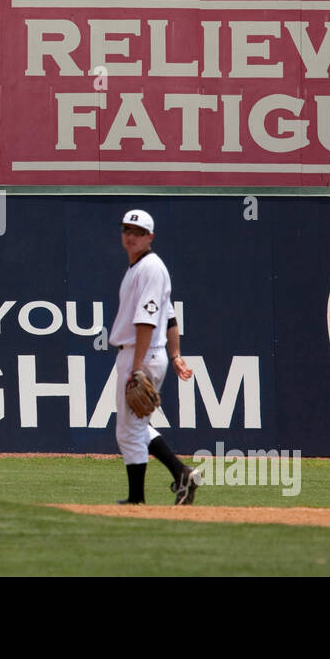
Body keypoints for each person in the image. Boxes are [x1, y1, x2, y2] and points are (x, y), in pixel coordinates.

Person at [110, 209, 202, 505]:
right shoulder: (140, 268)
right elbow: (171, 317)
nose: (131, 236)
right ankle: (181, 473)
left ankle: (136, 499)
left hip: (142, 354)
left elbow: (147, 322)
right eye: (127, 230)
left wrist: (137, 369)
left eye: (138, 232)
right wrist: (175, 356)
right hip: (147, 353)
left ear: (150, 237)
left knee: (128, 432)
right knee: (137, 427)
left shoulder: (150, 267)